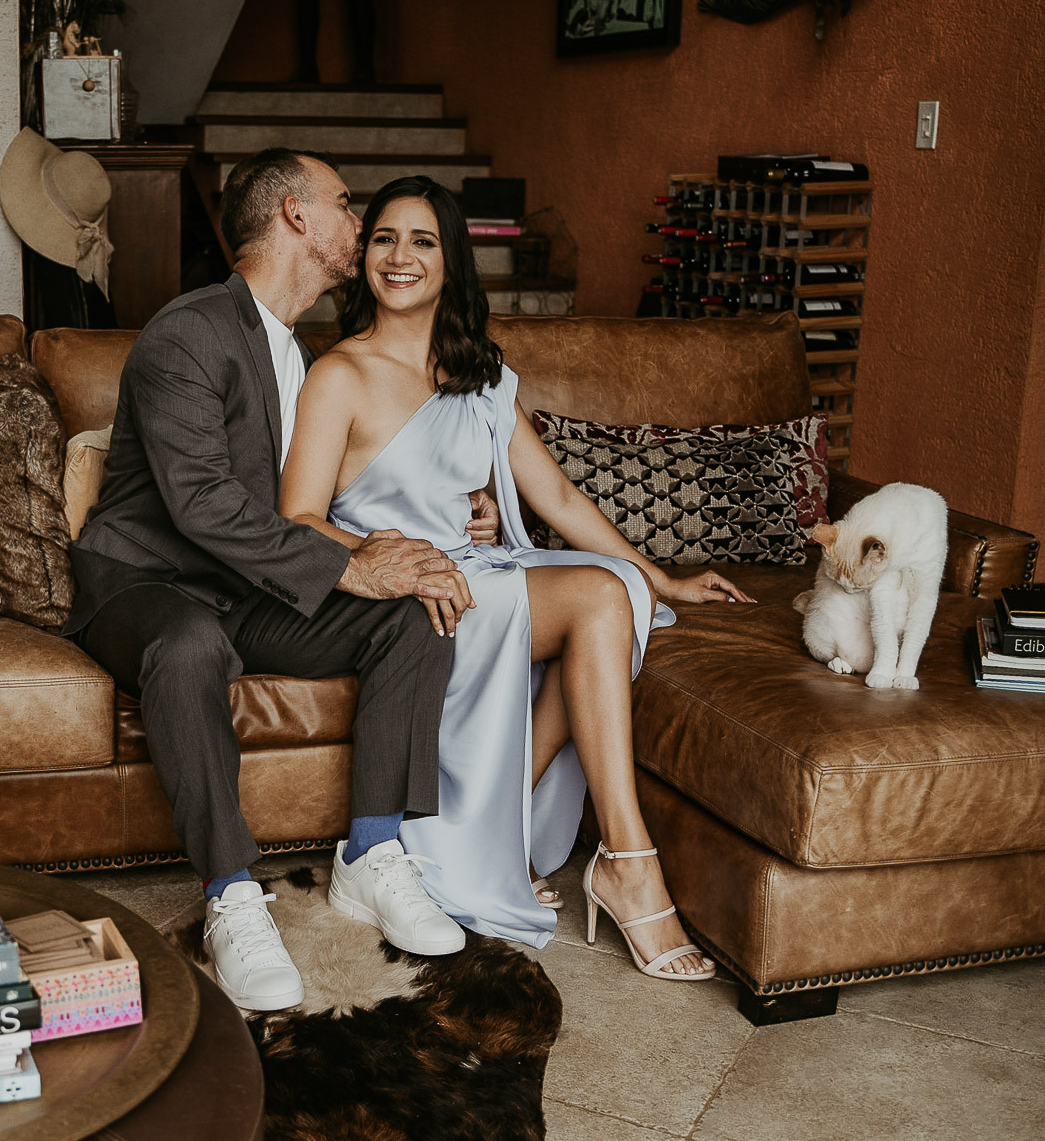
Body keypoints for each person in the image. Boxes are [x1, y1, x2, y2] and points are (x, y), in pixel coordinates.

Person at [278, 176, 753, 979]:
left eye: (423, 242)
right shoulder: (340, 375)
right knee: (600, 597)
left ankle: (559, 838)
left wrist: (664, 578)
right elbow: (297, 518)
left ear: (451, 261)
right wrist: (393, 558)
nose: (399, 257)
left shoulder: (481, 375)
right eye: (385, 238)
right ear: (364, 258)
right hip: (421, 596)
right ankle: (629, 863)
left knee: (622, 591)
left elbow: (557, 495)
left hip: (489, 571)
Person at [64, 150, 499, 1012]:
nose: (358, 225)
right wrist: (350, 564)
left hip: (244, 591)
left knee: (416, 611)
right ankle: (230, 893)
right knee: (188, 644)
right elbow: (203, 504)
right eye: (346, 205)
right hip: (146, 582)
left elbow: (326, 490)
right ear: (297, 216)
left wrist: (457, 515)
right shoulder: (187, 333)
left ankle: (372, 852)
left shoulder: (301, 350)